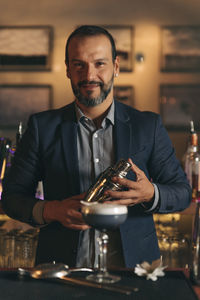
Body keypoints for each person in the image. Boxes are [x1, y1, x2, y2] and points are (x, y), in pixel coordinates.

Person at [1, 25, 191, 268]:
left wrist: (151, 194)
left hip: (136, 272)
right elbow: (12, 198)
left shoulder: (148, 125)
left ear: (116, 66)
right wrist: (51, 210)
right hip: (61, 273)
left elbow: (183, 193)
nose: (89, 75)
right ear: (68, 69)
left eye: (100, 63)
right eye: (79, 64)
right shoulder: (41, 126)